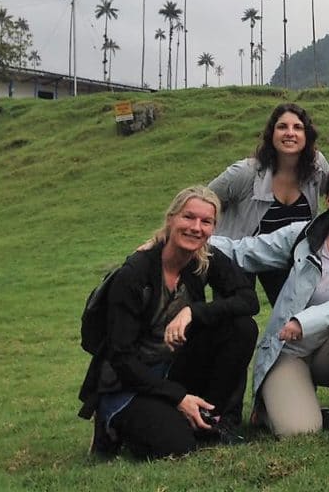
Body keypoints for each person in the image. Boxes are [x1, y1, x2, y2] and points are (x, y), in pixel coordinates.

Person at [209, 161, 329, 436]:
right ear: (328, 198)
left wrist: (303, 321)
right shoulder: (302, 234)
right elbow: (246, 250)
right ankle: (270, 406)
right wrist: (194, 239)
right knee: (300, 431)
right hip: (289, 350)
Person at [79, 187, 258, 460]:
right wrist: (178, 397)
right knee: (177, 445)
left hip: (174, 366)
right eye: (188, 217)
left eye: (206, 221)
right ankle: (111, 424)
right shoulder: (134, 274)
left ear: (213, 228)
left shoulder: (204, 259)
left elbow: (248, 300)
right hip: (129, 381)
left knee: (241, 327)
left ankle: (210, 417)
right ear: (171, 218)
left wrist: (194, 313)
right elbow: (121, 357)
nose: (196, 228)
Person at [209, 103, 329, 306]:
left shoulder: (316, 168)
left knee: (296, 316)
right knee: (237, 322)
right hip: (238, 252)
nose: (290, 133)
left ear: (307, 135)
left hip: (287, 256)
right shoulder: (245, 173)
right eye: (282, 127)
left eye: (297, 127)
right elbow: (202, 201)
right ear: (271, 134)